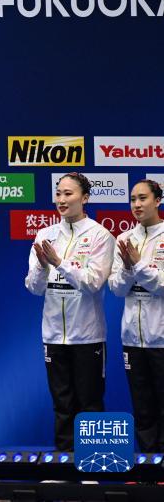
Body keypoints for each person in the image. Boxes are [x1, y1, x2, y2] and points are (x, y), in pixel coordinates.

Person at [26, 173, 113, 451]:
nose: (61, 200)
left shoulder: (100, 235)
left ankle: (93, 464)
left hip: (88, 336)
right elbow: (34, 288)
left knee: (90, 404)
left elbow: (93, 283)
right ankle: (64, 464)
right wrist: (42, 267)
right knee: (62, 405)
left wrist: (59, 263)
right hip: (53, 335)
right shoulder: (45, 235)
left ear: (84, 198)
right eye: (58, 193)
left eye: (68, 194)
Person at [108, 179, 164, 452]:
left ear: (158, 200)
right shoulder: (124, 239)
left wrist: (139, 265)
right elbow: (117, 289)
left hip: (161, 338)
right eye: (132, 199)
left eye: (143, 198)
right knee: (142, 408)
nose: (137, 204)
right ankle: (148, 467)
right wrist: (129, 269)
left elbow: (162, 286)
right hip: (132, 339)